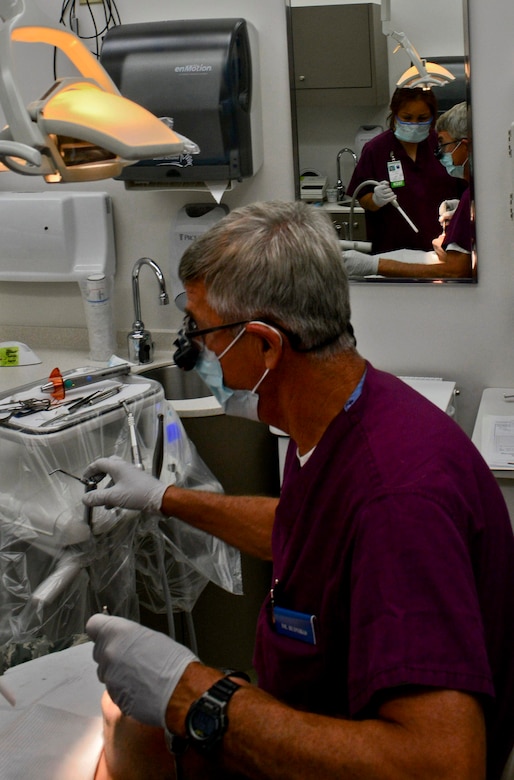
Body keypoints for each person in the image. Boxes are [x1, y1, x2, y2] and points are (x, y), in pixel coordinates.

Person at [83, 200, 514, 780]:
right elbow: (309, 531)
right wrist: (167, 499)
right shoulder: (344, 413)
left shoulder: (399, 501)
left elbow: (443, 764)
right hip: (321, 707)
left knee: (127, 743)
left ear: (265, 344)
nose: (194, 352)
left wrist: (197, 696)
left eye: (201, 332)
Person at [343, 101, 473, 279]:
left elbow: (456, 270)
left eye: (443, 144)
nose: (440, 153)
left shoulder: (472, 195)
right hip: (391, 244)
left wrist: (374, 265)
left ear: (464, 146)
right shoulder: (376, 148)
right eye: (407, 117)